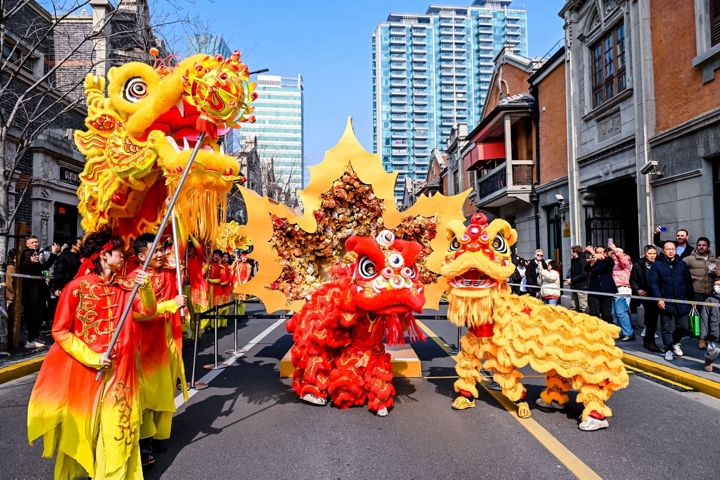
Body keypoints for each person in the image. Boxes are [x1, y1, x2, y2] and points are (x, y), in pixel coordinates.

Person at [27, 230, 157, 480]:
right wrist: (92, 357)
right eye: (119, 251)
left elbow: (148, 310)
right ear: (105, 255)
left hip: (121, 371)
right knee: (86, 431)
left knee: (117, 429)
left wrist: (147, 287)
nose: (124, 255)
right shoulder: (76, 288)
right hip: (86, 371)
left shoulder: (128, 285)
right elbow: (60, 331)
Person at [132, 233, 188, 466]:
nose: (159, 254)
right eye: (153, 251)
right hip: (144, 343)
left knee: (166, 388)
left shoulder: (168, 274)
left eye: (160, 250)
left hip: (167, 340)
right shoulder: (133, 279)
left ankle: (159, 436)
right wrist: (171, 304)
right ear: (140, 256)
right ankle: (144, 441)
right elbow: (138, 313)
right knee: (146, 393)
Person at [648, 241, 694, 361]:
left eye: (673, 249)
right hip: (665, 300)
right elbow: (653, 283)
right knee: (666, 327)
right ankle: (668, 349)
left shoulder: (682, 264)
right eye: (668, 249)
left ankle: (674, 343)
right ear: (663, 251)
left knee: (684, 326)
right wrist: (659, 298)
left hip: (682, 300)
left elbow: (688, 282)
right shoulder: (657, 265)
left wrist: (692, 299)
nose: (670, 251)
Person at [19, 237, 60, 348]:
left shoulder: (35, 262)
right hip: (31, 296)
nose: (35, 244)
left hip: (39, 295)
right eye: (32, 242)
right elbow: (44, 266)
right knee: (32, 317)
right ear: (27, 244)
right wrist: (53, 253)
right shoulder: (26, 259)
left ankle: (36, 337)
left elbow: (44, 266)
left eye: (36, 242)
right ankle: (30, 341)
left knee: (39, 316)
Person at [682, 237, 716, 349]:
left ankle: (709, 338)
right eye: (699, 245)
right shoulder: (689, 259)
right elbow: (678, 270)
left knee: (711, 317)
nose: (701, 247)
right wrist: (689, 276)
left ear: (708, 247)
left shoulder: (713, 260)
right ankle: (702, 340)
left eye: (704, 245)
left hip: (711, 292)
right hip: (697, 292)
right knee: (702, 317)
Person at [630, 245, 662, 353]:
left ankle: (649, 339)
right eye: (650, 254)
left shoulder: (660, 263)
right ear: (644, 254)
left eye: (654, 253)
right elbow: (633, 280)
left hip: (658, 293)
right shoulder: (638, 264)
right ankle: (649, 341)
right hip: (645, 293)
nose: (652, 256)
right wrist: (637, 290)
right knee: (651, 317)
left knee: (653, 318)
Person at [583, 245, 616, 324]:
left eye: (600, 252)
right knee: (594, 312)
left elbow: (611, 262)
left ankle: (607, 331)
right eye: (597, 252)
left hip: (606, 289)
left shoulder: (608, 261)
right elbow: (586, 268)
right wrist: (592, 260)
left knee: (606, 314)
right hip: (595, 289)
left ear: (604, 253)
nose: (598, 254)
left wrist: (602, 257)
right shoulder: (593, 260)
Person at [608, 242, 634, 341]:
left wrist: (615, 250)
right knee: (614, 313)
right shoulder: (612, 264)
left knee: (621, 312)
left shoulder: (625, 262)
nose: (614, 256)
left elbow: (623, 261)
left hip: (623, 288)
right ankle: (621, 331)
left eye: (616, 254)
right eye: (613, 254)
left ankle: (628, 333)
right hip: (614, 289)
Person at [700, 279, 720, 372]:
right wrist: (703, 334)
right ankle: (709, 359)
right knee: (714, 350)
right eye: (716, 285)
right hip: (715, 330)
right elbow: (704, 317)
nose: (717, 287)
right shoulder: (710, 299)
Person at [566, 246, 590, 313]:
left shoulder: (582, 261)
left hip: (582, 287)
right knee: (573, 306)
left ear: (575, 253)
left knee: (583, 307)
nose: (570, 254)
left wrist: (572, 280)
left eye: (571, 252)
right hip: (574, 286)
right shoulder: (574, 261)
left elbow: (584, 275)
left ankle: (585, 322)